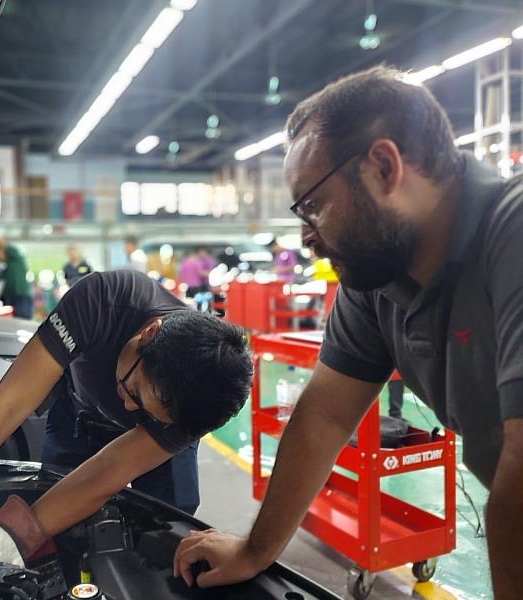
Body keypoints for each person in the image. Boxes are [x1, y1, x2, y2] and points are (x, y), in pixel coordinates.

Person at [173, 65, 523, 598]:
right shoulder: (378, 279)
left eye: (313, 204)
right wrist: (255, 549)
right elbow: (325, 416)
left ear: (383, 167)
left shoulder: (512, 232)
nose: (306, 237)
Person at [0, 270, 253, 569]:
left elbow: (110, 470)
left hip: (154, 451)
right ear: (149, 332)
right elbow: (8, 406)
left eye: (145, 411)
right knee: (66, 535)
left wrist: (3, 540)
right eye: (134, 390)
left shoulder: (201, 397)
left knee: (164, 539)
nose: (129, 409)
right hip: (78, 417)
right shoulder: (104, 301)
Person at [0, 229, 34, 319]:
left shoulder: (16, 258)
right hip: (10, 301)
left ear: (1, 251)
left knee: (22, 322)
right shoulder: (5, 271)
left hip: (21, 297)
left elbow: (2, 242)